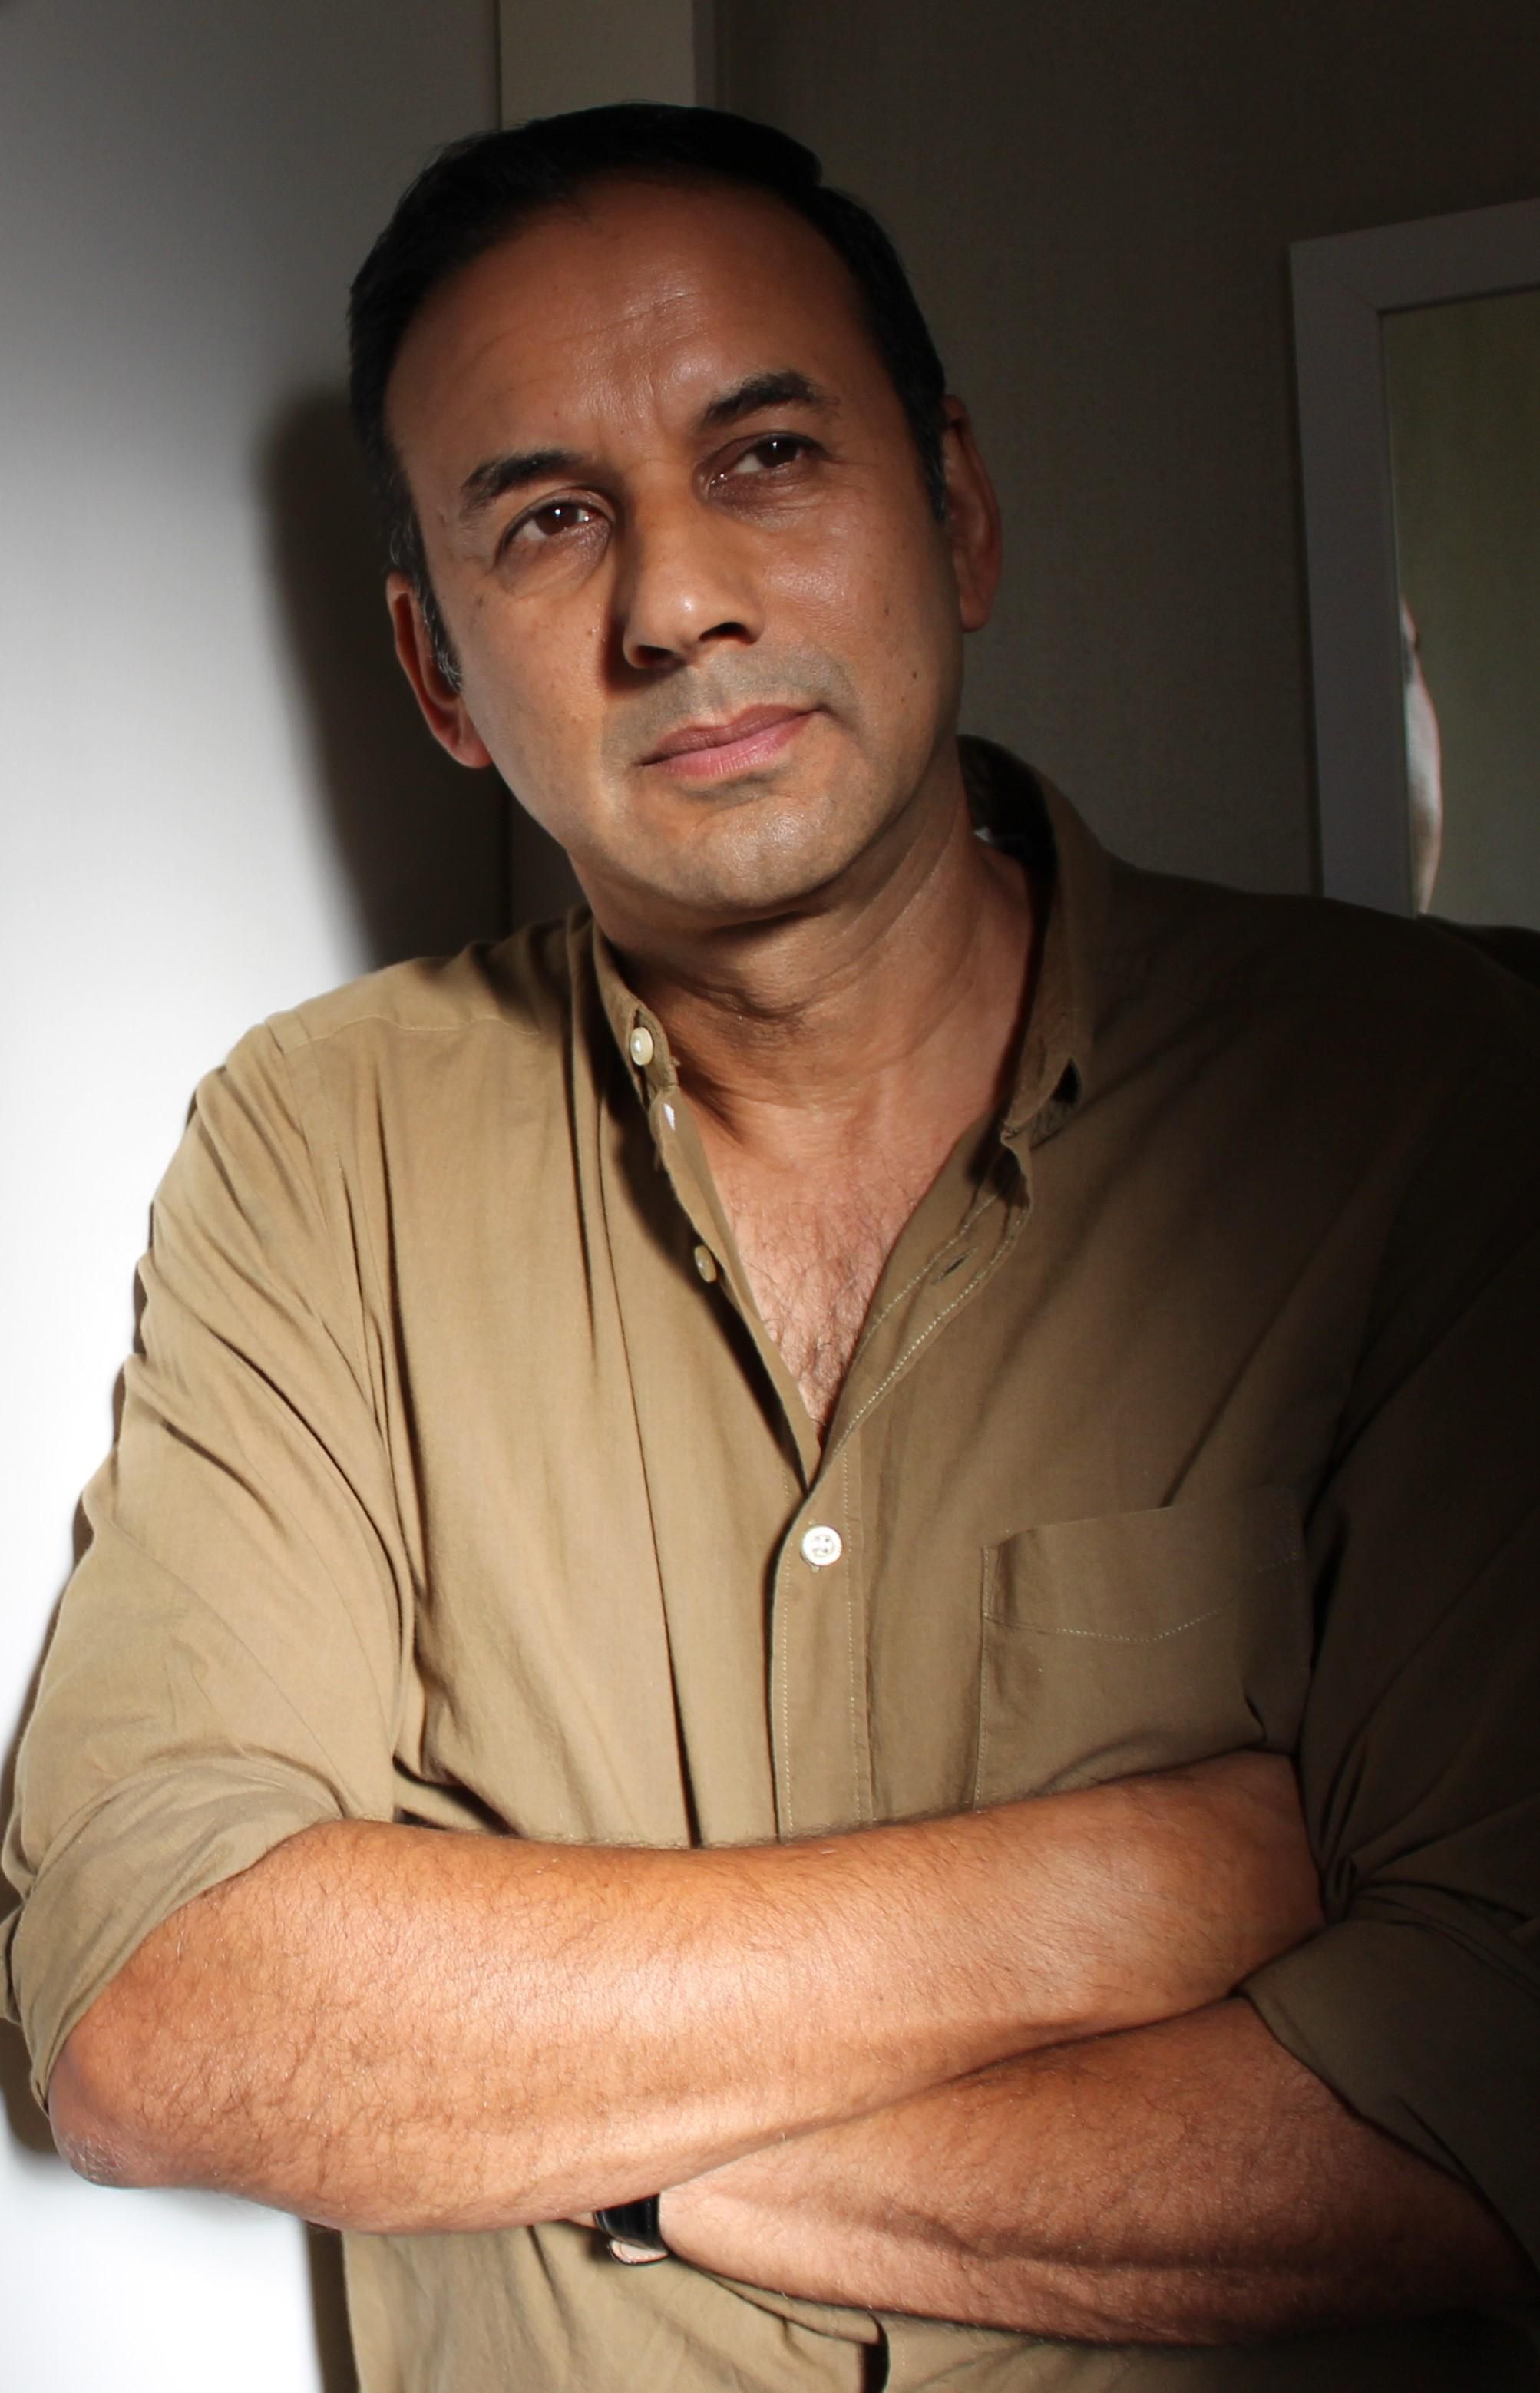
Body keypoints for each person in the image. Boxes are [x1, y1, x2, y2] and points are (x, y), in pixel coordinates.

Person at [5, 104, 1538, 2393]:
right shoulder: (324, 1144)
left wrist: (613, 2154)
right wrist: (1116, 1895)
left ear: (959, 510)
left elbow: (1486, 2107)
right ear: (438, 678)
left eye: (769, 457)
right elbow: (154, 2011)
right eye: (550, 518)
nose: (677, 603)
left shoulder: (1420, 1091)